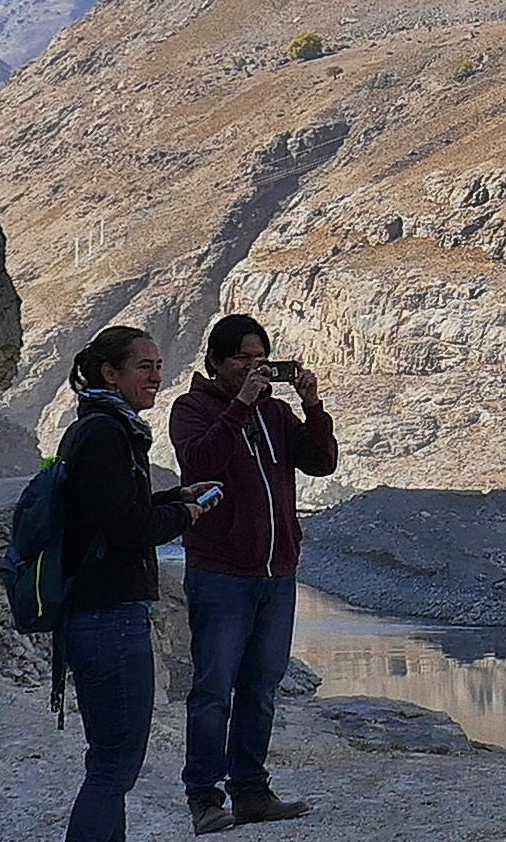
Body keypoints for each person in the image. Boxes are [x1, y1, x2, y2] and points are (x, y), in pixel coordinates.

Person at [168, 313, 339, 832]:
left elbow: (322, 462)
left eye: (259, 357)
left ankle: (251, 791)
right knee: (214, 686)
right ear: (215, 362)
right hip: (222, 570)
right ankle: (204, 796)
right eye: (241, 357)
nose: (252, 366)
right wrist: (240, 407)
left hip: (277, 571)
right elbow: (202, 462)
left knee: (262, 685)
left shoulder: (277, 413)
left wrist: (312, 406)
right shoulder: (191, 409)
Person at [56, 325, 221, 842]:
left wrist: (172, 497)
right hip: (108, 615)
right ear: (111, 372)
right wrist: (187, 515)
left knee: (112, 762)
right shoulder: (105, 433)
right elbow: (125, 529)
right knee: (115, 765)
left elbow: (111, 513)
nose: (157, 376)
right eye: (144, 366)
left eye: (157, 365)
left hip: (100, 613)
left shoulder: (101, 426)